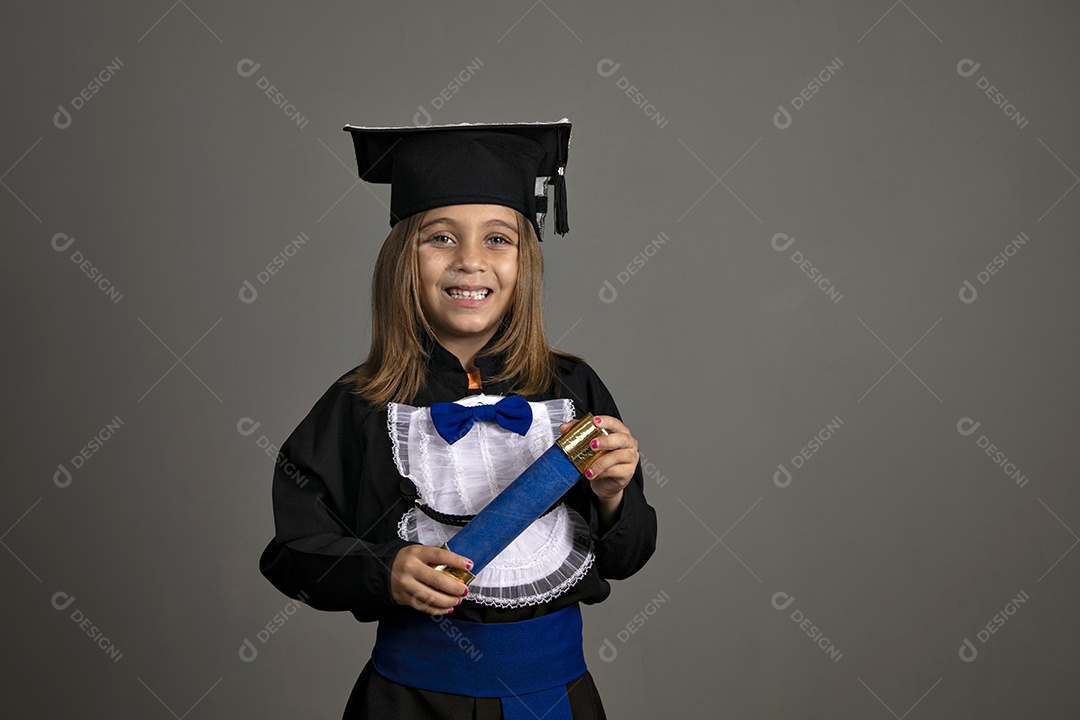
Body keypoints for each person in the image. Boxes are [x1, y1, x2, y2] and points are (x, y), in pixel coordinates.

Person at [258, 119, 658, 719]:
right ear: (402, 261)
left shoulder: (573, 390)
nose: (471, 262)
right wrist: (382, 572)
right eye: (440, 238)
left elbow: (627, 557)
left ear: (526, 263)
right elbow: (292, 554)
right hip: (409, 700)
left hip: (552, 700)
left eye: (498, 239)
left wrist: (612, 497)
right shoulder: (359, 403)